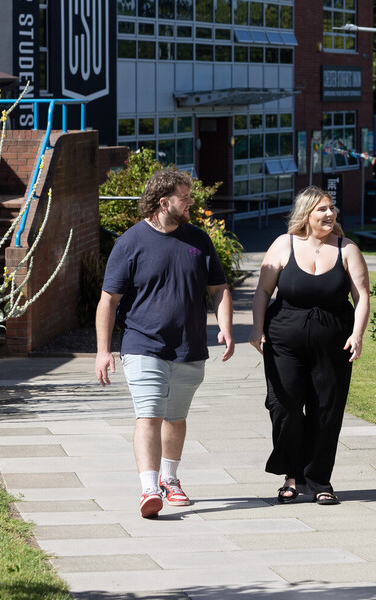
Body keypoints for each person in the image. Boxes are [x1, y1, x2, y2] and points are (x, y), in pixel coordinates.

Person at [95, 168, 235, 519]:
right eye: (185, 198)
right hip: (142, 344)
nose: (191, 203)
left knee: (176, 417)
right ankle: (149, 487)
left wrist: (227, 328)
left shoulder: (198, 240)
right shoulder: (130, 242)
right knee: (150, 414)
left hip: (189, 346)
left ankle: (171, 479)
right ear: (163, 202)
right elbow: (108, 300)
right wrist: (102, 350)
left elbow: (218, 290)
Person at [250, 186, 370, 505]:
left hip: (333, 342)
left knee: (326, 410)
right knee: (284, 406)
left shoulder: (347, 249)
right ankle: (293, 475)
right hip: (283, 340)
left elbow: (362, 296)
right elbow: (262, 291)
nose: (330, 214)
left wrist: (357, 335)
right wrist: (257, 328)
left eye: (332, 208)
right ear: (306, 215)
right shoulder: (283, 245)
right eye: (322, 210)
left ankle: (319, 480)